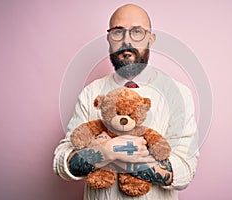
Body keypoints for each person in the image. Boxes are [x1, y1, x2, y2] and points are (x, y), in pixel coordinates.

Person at [53, 4, 199, 200]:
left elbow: (184, 170)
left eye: (137, 32)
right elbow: (62, 161)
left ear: (151, 38)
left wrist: (120, 155)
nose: (126, 40)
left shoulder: (178, 94)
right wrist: (103, 153)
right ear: (109, 39)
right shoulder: (91, 93)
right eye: (118, 32)